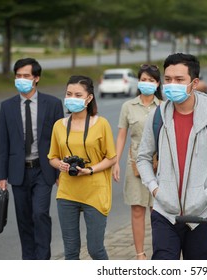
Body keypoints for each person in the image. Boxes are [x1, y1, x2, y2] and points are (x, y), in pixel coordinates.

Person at [136, 53, 207, 260]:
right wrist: (155, 189)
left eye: (179, 80)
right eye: (168, 79)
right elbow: (142, 157)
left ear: (194, 83)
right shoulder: (157, 115)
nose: (172, 85)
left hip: (202, 215)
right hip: (164, 212)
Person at [0, 58, 64, 259]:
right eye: (18, 76)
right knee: (24, 219)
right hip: (18, 171)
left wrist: (59, 171)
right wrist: (2, 175)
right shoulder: (7, 106)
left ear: (36, 78)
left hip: (43, 169)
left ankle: (43, 259)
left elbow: (59, 140)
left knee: (40, 213)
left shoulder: (52, 104)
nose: (21, 79)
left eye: (26, 76)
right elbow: (3, 143)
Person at [48, 75, 116, 260]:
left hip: (94, 192)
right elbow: (52, 157)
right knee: (70, 251)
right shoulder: (59, 126)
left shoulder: (101, 124)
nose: (72, 98)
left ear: (89, 98)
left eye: (78, 94)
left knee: (95, 249)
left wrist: (91, 169)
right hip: (67, 193)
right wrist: (60, 164)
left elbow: (111, 157)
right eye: (69, 94)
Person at [112, 64, 163, 260]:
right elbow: (121, 136)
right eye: (143, 79)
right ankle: (140, 254)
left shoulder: (163, 107)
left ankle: (160, 252)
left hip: (159, 166)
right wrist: (116, 162)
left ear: (157, 83)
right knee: (137, 208)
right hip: (135, 166)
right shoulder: (128, 107)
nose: (146, 83)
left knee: (157, 211)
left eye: (151, 80)